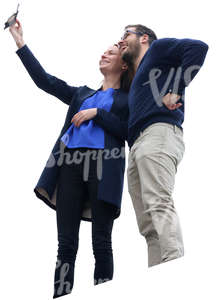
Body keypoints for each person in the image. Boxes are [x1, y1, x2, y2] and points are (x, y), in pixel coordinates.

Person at [9, 19, 134, 298]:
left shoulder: (128, 99)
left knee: (101, 244)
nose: (104, 54)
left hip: (104, 168)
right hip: (70, 169)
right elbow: (46, 81)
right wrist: (20, 41)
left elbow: (129, 132)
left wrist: (98, 115)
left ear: (124, 65)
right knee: (65, 246)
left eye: (111, 52)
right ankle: (60, 295)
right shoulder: (82, 94)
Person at [118, 24, 209, 267]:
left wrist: (176, 89)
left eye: (126, 34)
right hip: (137, 144)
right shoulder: (138, 80)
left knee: (158, 201)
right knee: (147, 224)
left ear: (144, 37)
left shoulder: (158, 49)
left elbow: (198, 48)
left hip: (158, 132)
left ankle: (175, 268)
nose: (122, 40)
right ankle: (159, 279)